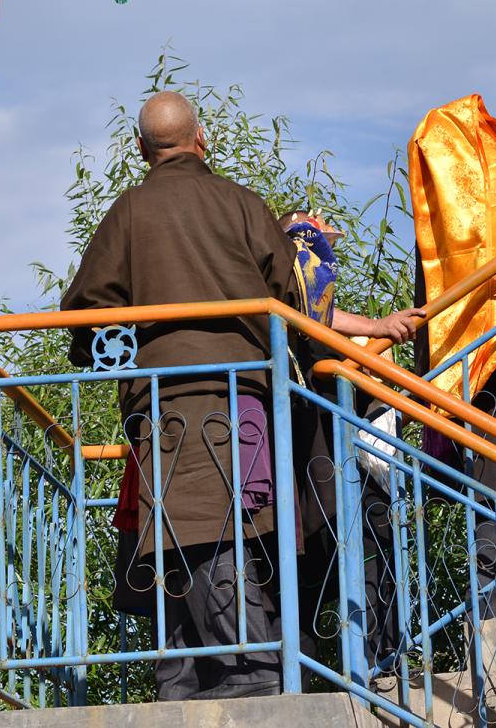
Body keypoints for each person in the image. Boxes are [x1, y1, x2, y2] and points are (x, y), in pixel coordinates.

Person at [62, 90, 301, 700]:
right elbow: (292, 296)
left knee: (196, 529)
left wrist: (116, 343)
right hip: (244, 393)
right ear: (202, 138)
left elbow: (85, 306)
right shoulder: (243, 204)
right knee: (212, 528)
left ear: (142, 148)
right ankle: (186, 681)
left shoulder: (130, 212)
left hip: (167, 403)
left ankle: (250, 673)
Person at [274, 208, 422, 676]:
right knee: (319, 558)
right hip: (313, 460)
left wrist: (376, 334)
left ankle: (381, 660)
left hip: (335, 461)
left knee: (367, 545)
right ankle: (356, 665)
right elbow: (315, 313)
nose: (317, 246)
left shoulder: (313, 311)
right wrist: (377, 328)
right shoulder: (294, 296)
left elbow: (322, 315)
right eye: (306, 235)